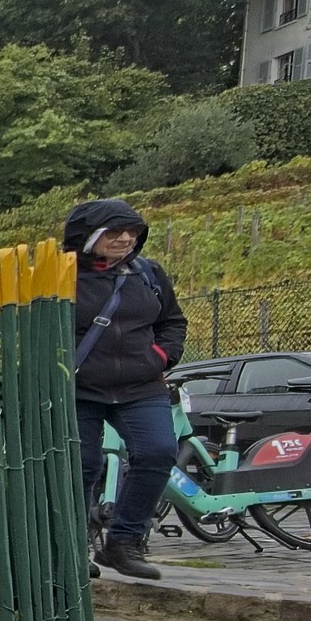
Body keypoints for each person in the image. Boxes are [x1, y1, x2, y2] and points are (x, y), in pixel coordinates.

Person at [63, 198, 186, 581]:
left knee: (158, 452)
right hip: (80, 387)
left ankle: (124, 542)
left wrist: (160, 357)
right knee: (82, 464)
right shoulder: (59, 276)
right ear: (87, 236)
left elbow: (172, 321)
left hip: (140, 385)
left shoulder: (148, 273)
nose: (126, 239)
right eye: (114, 232)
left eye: (132, 232)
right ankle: (74, 549)